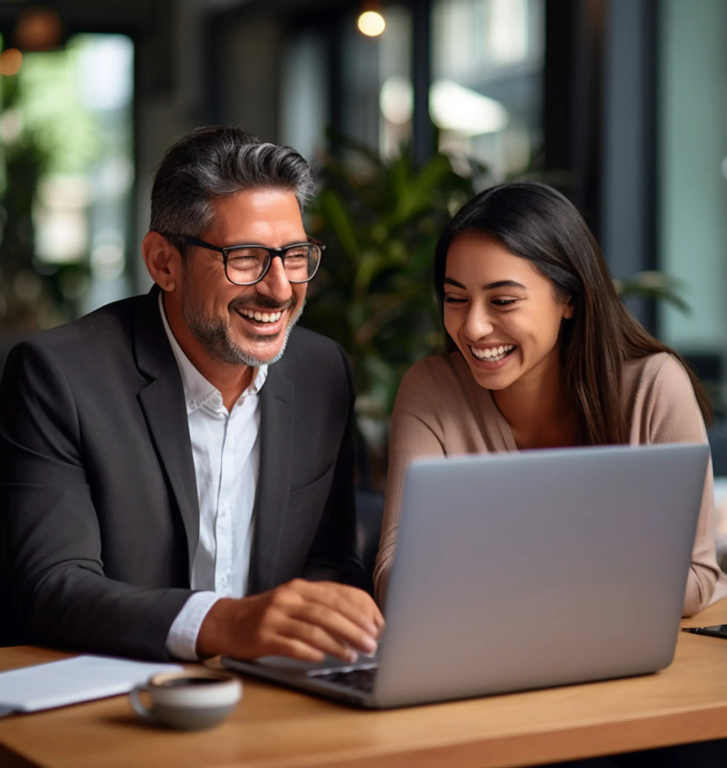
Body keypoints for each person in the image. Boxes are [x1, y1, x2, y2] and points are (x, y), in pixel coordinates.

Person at [0, 125, 383, 662]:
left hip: (276, 694)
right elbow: (52, 587)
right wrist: (227, 624)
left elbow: (331, 559)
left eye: (295, 254)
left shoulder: (323, 372)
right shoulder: (58, 377)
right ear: (163, 263)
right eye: (246, 257)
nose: (279, 289)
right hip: (120, 698)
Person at [374, 182, 724, 616]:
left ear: (569, 299)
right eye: (455, 299)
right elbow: (395, 577)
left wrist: (485, 573)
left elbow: (694, 576)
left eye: (502, 301)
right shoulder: (431, 391)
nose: (473, 327)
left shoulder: (653, 387)